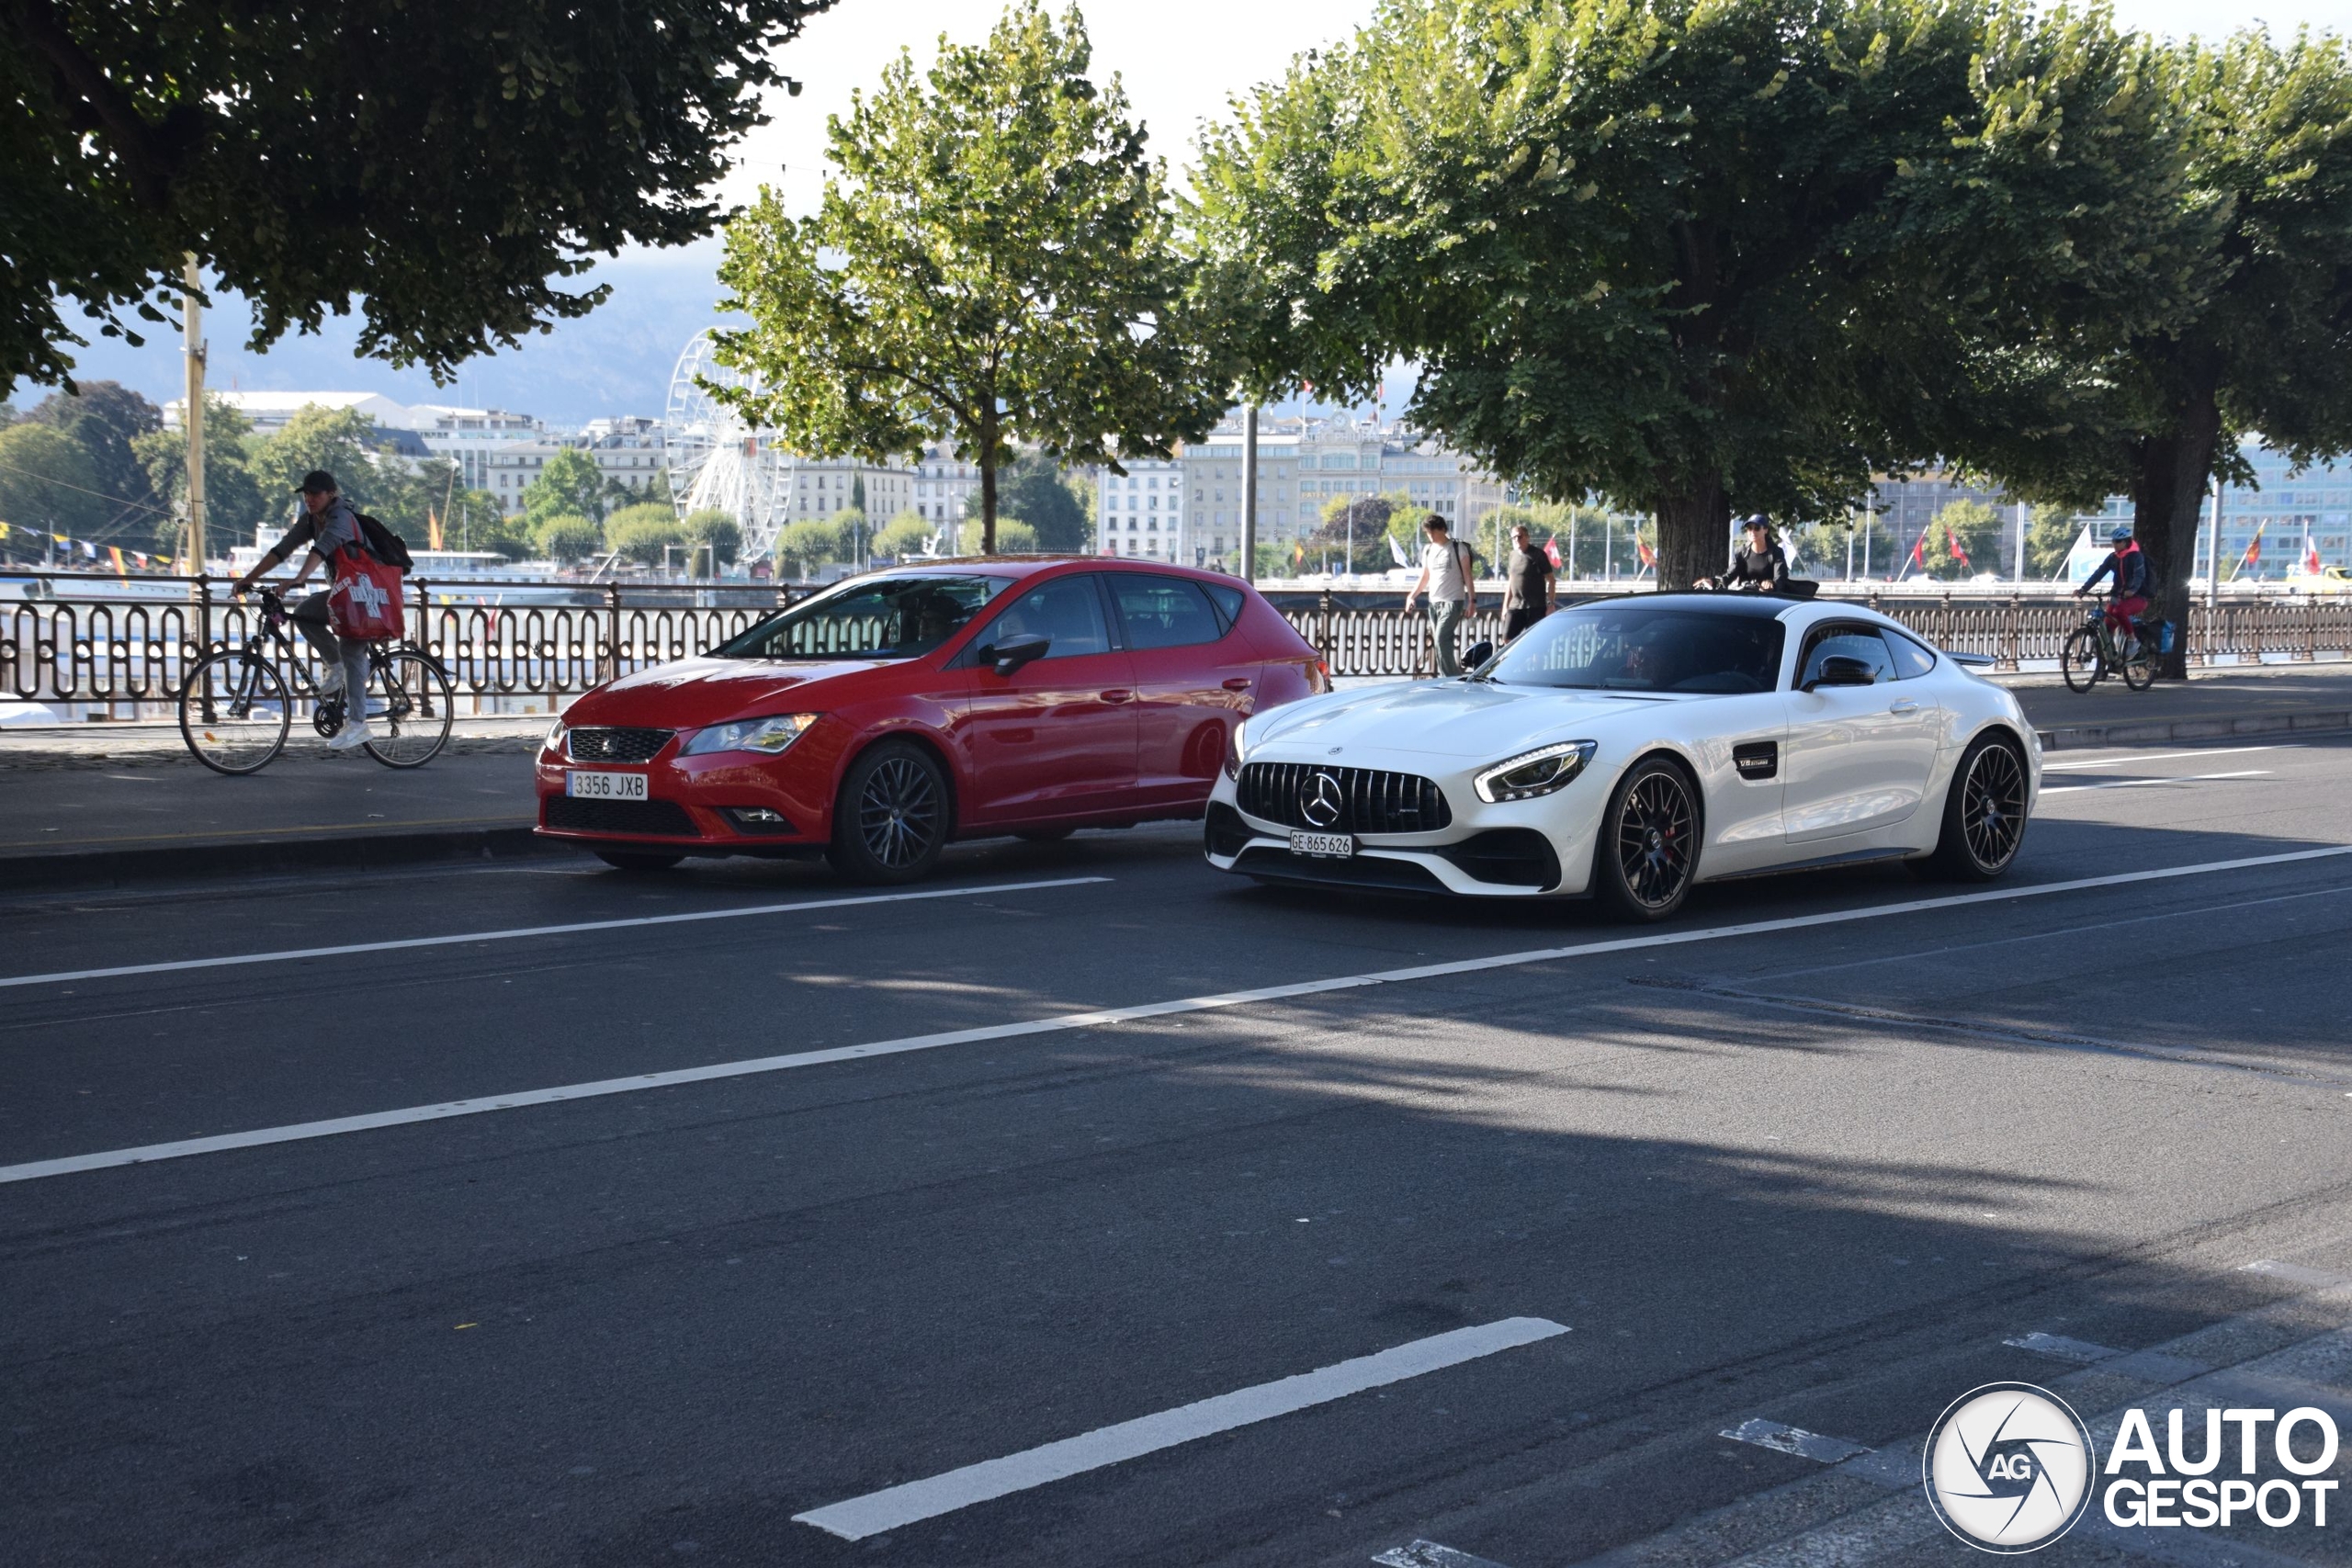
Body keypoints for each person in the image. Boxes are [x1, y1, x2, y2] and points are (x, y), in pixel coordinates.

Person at [230, 469, 380, 750]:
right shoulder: (312, 519)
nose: (309, 499)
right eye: (306, 494)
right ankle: (334, 667)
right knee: (304, 612)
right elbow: (282, 549)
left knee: (352, 650)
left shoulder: (341, 518)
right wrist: (249, 578)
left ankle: (359, 725)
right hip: (344, 592)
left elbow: (321, 550)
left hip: (365, 592)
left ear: (331, 495)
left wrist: (299, 578)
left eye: (315, 493)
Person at [1402, 513, 1478, 676]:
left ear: (1442, 529)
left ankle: (1452, 679)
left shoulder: (1458, 548)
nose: (1430, 536)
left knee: (1441, 639)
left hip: (1453, 602)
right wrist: (1411, 596)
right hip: (1434, 603)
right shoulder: (1428, 550)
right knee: (1441, 643)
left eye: (1433, 532)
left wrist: (1472, 601)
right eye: (1428, 533)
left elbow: (1467, 576)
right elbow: (1424, 577)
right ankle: (1449, 677)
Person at [2076, 524, 2151, 651]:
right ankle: (2109, 658)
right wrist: (2083, 589)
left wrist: (2132, 590)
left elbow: (2139, 575)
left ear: (2126, 542)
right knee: (2107, 627)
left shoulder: (2136, 557)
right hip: (2118, 596)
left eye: (2118, 541)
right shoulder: (2113, 557)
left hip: (2138, 597)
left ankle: (2133, 640)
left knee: (2119, 612)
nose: (2114, 544)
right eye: (2113, 541)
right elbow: (2099, 573)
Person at [1699, 516, 1790, 592]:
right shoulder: (1742, 552)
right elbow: (1729, 576)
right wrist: (1713, 582)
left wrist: (1771, 584)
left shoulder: (1776, 552)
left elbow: (1780, 579)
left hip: (1768, 600)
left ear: (1765, 530)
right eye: (1750, 528)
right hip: (1746, 599)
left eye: (1757, 528)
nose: (1753, 532)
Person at [1501, 523, 1555, 642]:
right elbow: (1510, 582)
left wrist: (1550, 604)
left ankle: (1534, 661)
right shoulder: (1512, 555)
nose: (1517, 540)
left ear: (1527, 537)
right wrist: (1505, 606)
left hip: (1536, 606)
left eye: (1519, 536)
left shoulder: (1538, 555)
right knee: (1507, 638)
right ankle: (1517, 660)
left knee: (1535, 641)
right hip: (1516, 605)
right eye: (1514, 537)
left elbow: (1551, 580)